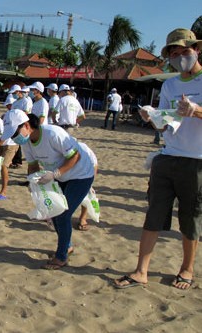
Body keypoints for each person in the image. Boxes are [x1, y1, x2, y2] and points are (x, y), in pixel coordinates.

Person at [113, 28, 202, 290]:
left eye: (184, 52)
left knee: (190, 218)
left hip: (196, 160)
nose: (179, 57)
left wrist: (196, 111)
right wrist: (153, 118)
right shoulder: (170, 84)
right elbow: (165, 124)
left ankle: (187, 269)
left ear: (196, 50)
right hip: (166, 157)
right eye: (174, 53)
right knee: (153, 215)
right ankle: (141, 271)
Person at [4, 109, 95, 269]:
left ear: (26, 125)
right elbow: (32, 165)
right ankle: (67, 246)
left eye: (14, 133)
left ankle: (61, 257)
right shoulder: (26, 143)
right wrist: (32, 182)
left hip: (81, 175)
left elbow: (75, 156)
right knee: (53, 212)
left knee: (63, 214)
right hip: (59, 177)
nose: (13, 138)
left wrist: (56, 173)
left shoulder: (53, 133)